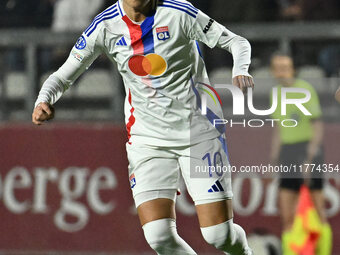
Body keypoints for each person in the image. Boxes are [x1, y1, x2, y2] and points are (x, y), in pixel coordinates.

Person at [32, 0, 254, 254]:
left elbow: (237, 42)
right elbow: (63, 75)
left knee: (218, 235)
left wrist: (241, 68)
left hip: (198, 131)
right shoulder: (105, 26)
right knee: (159, 237)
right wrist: (43, 100)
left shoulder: (179, 13)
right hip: (147, 139)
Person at [269, 53, 332, 255]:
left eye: (286, 66)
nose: (282, 71)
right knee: (287, 215)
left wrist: (310, 158)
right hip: (288, 151)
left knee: (318, 212)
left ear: (293, 69)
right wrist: (274, 156)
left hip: (308, 150)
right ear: (273, 71)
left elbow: (317, 126)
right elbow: (279, 127)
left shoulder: (305, 90)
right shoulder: (275, 93)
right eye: (278, 67)